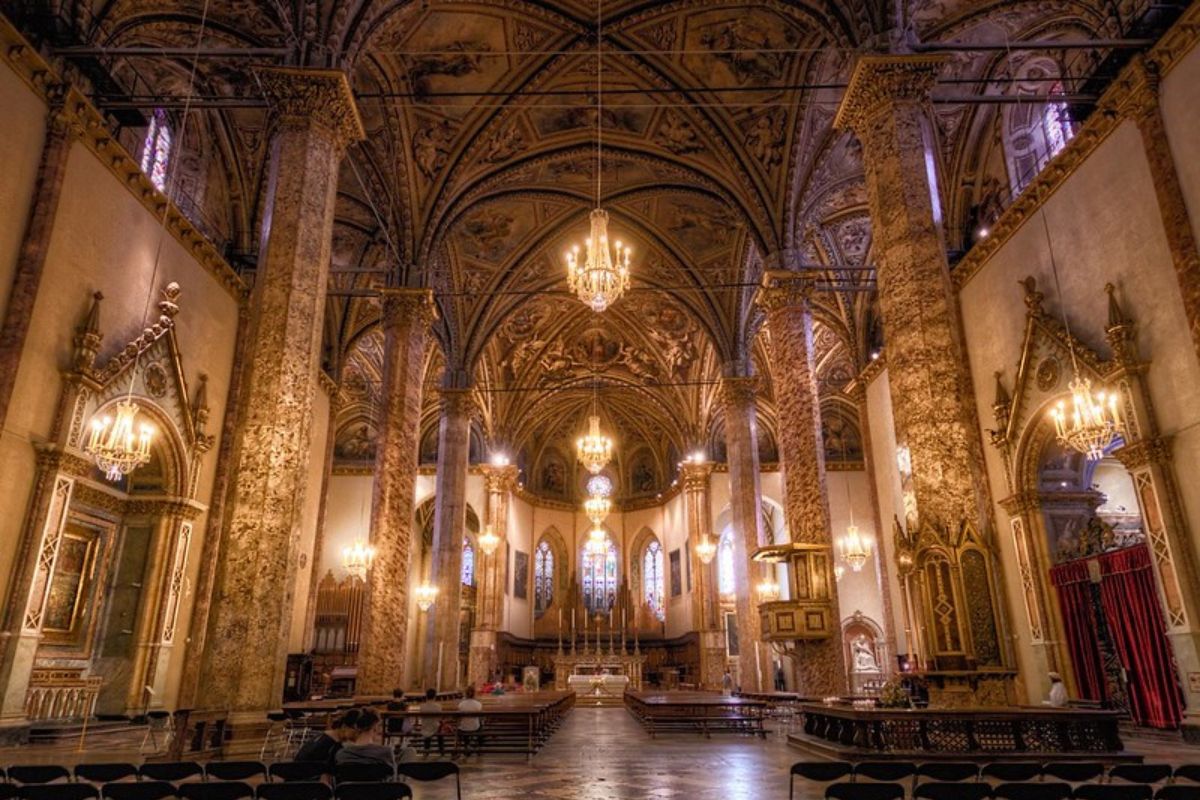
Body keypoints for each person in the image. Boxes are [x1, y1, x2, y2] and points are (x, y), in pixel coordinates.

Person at [416, 688, 448, 756]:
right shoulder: (438, 706)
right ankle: (441, 749)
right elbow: (439, 718)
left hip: (425, 726)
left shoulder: (422, 706)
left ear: (426, 696)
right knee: (440, 729)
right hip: (435, 727)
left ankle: (426, 750)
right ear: (435, 696)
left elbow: (421, 717)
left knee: (428, 729)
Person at [455, 685, 484, 757]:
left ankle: (466, 745)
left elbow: (458, 717)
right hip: (475, 727)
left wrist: (457, 725)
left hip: (464, 727)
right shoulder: (478, 704)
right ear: (474, 694)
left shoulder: (461, 704)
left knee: (464, 727)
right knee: (480, 726)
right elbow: (480, 717)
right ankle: (479, 748)